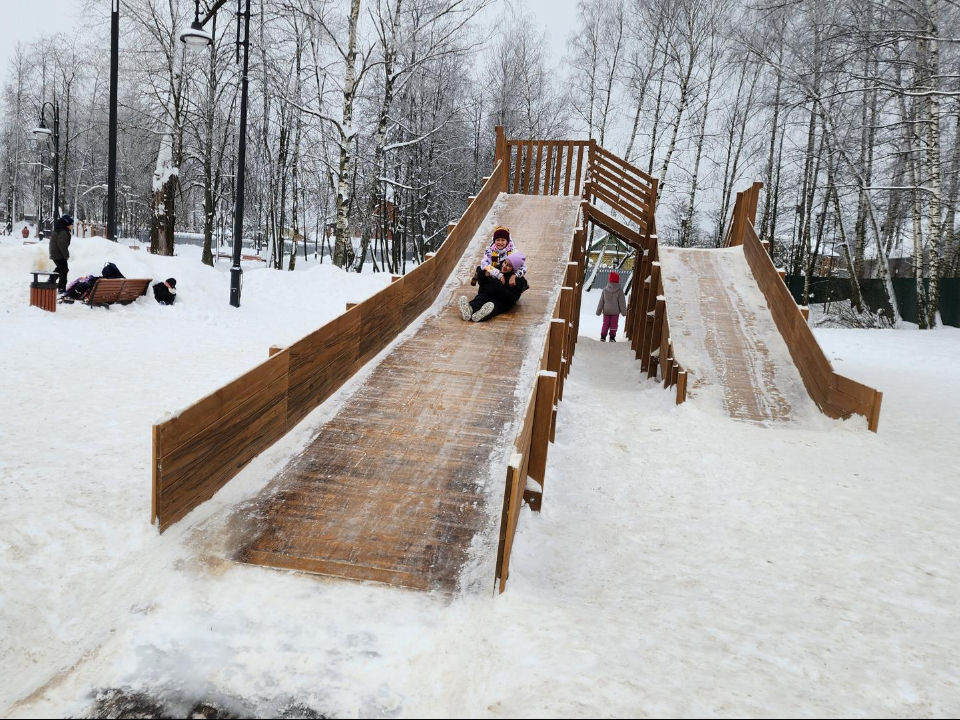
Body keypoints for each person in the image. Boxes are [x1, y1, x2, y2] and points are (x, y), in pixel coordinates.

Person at [459, 251, 528, 322]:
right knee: (481, 298)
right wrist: (485, 275)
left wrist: (499, 286)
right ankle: (470, 309)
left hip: (502, 300)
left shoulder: (518, 280)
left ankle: (482, 314)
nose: (504, 266)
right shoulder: (496, 268)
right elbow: (482, 282)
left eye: (508, 266)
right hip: (488, 293)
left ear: (514, 268)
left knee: (495, 306)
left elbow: (513, 298)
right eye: (505, 263)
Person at [596, 271, 628, 342]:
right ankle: (612, 337)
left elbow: (601, 301)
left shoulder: (605, 290)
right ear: (618, 280)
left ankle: (603, 336)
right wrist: (624, 312)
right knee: (614, 324)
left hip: (606, 311)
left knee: (605, 323)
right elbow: (622, 303)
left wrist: (598, 311)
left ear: (609, 279)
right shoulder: (620, 291)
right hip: (615, 312)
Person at [48, 214, 74, 293]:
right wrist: (66, 255)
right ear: (67, 224)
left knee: (61, 268)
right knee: (64, 270)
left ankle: (51, 281)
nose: (72, 226)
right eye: (71, 224)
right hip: (58, 254)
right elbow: (61, 244)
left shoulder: (60, 229)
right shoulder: (63, 232)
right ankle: (61, 288)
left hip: (55, 253)